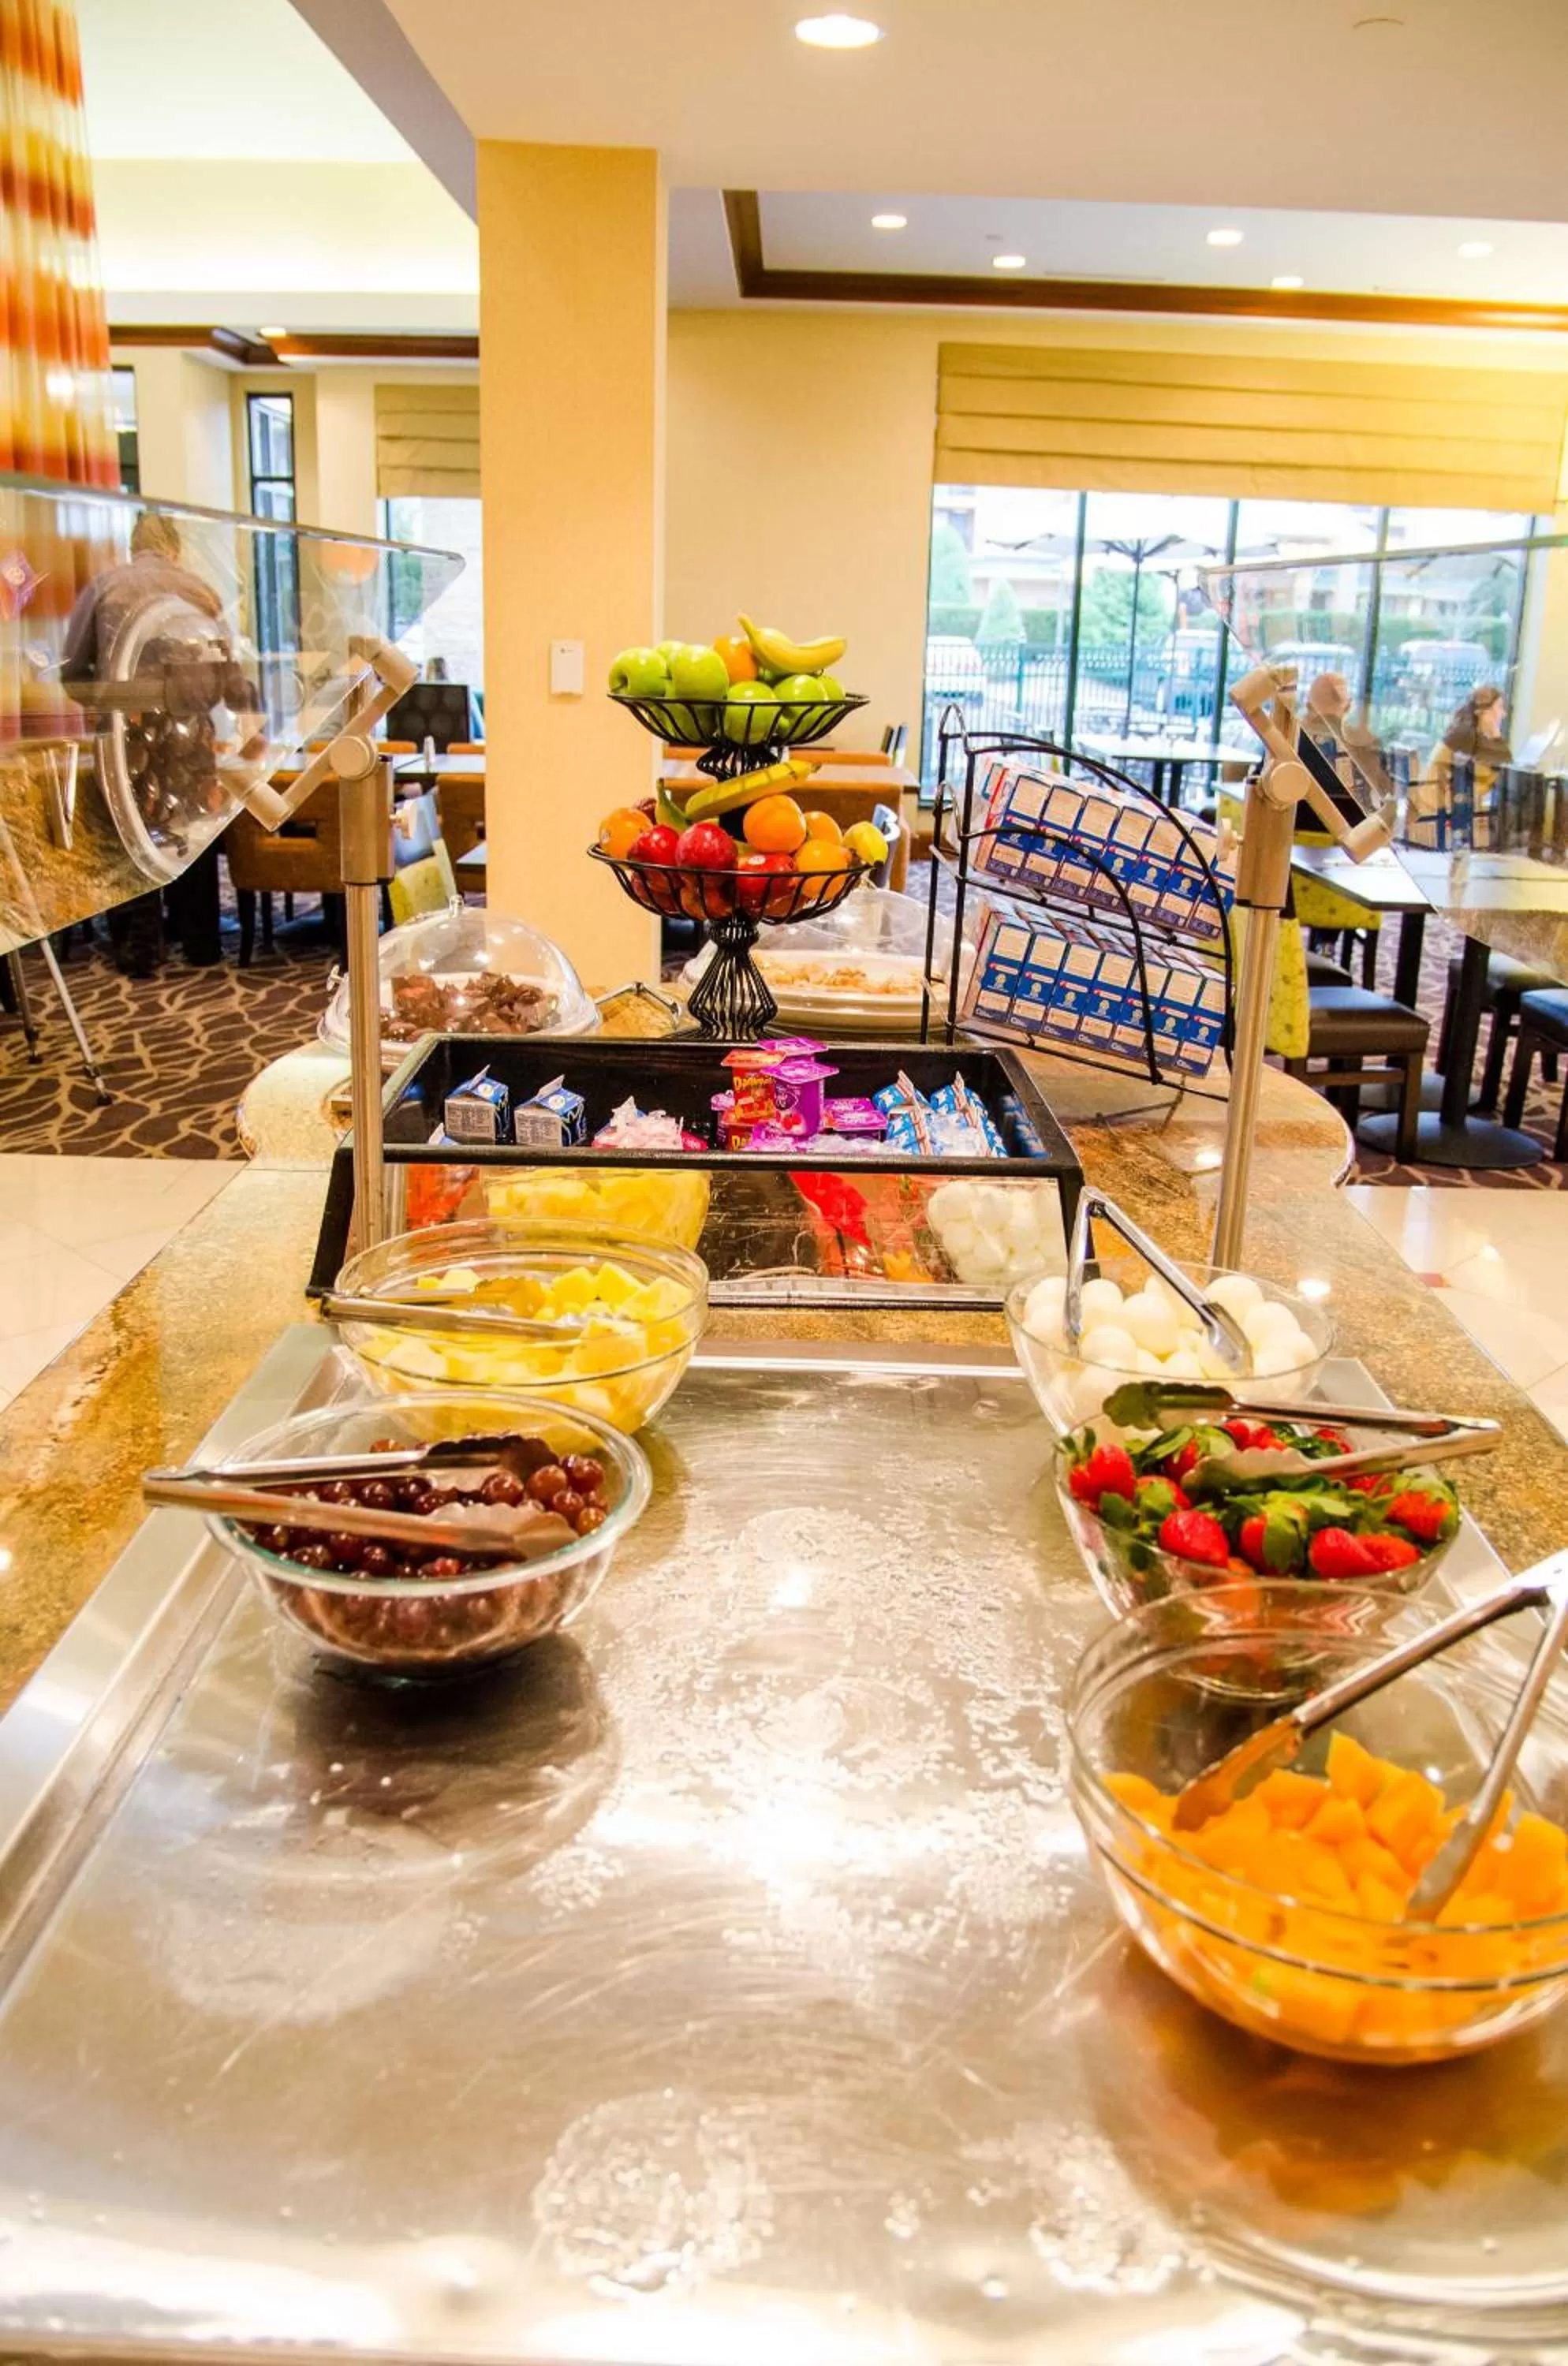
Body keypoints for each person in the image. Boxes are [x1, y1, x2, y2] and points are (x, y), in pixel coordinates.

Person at [62, 512, 233, 974]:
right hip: (189, 730)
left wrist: (107, 702)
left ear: (132, 547)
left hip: (125, 731)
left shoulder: (103, 588)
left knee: (130, 835)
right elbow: (224, 671)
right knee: (189, 830)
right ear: (175, 549)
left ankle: (139, 951)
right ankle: (201, 943)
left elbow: (72, 671)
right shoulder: (199, 591)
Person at [1417, 684, 1511, 821]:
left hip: (1437, 803)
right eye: (1500, 707)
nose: (1504, 714)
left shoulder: (1466, 730)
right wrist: (1496, 733)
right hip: (1440, 809)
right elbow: (1483, 781)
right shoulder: (1467, 735)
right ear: (1485, 711)